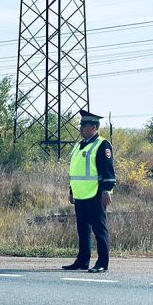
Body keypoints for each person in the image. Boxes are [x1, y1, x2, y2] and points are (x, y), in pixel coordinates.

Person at [62, 110, 117, 273]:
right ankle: (82, 261)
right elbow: (75, 170)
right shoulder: (79, 146)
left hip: (96, 194)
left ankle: (102, 263)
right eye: (81, 125)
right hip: (80, 194)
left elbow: (108, 170)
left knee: (100, 229)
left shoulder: (102, 144)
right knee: (83, 230)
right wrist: (72, 190)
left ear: (94, 127)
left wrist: (107, 190)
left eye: (84, 126)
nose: (81, 129)